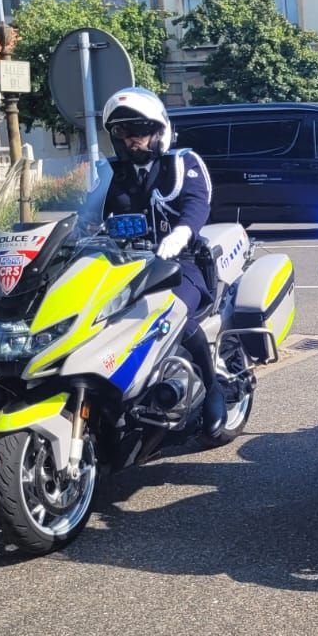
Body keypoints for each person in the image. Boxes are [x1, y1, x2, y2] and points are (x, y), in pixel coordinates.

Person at [99, 86, 225, 432]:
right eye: (122, 133)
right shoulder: (111, 174)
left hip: (180, 265)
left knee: (171, 313)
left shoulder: (182, 164)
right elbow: (85, 211)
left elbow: (198, 203)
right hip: (122, 266)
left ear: (159, 131)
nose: (131, 141)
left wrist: (182, 233)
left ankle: (212, 387)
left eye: (138, 131)